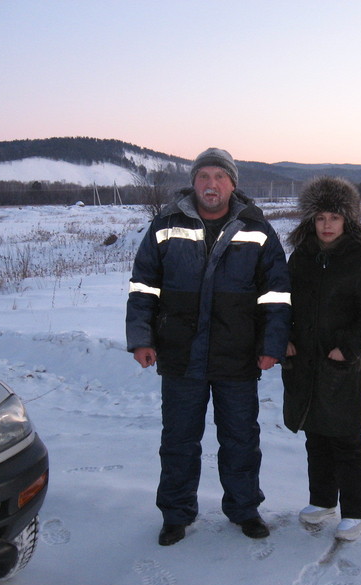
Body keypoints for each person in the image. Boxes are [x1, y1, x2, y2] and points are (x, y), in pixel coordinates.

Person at [126, 147, 291, 546]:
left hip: (238, 353)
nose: (211, 184)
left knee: (240, 439)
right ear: (193, 182)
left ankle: (244, 509)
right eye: (204, 176)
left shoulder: (257, 229)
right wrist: (142, 339)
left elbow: (277, 295)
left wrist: (272, 344)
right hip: (181, 354)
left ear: (233, 184)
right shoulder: (165, 225)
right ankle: (176, 514)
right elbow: (143, 286)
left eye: (220, 177)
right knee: (179, 440)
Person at [281, 176, 361, 541]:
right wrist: (286, 339)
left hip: (341, 365)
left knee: (346, 440)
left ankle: (356, 511)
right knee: (316, 436)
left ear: (348, 221)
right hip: (305, 364)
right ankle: (323, 500)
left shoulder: (359, 262)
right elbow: (284, 307)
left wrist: (347, 346)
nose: (327, 225)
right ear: (311, 221)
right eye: (321, 218)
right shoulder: (300, 259)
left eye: (335, 218)